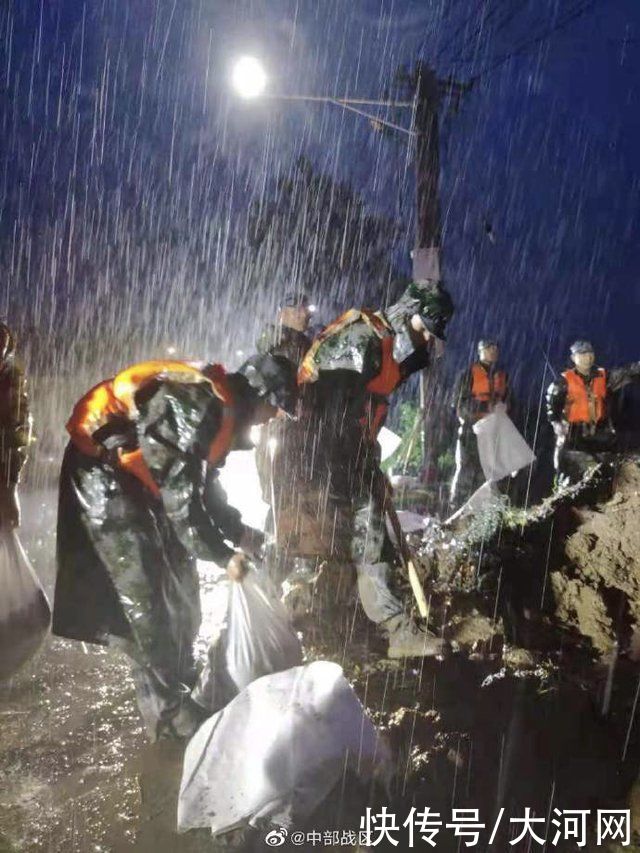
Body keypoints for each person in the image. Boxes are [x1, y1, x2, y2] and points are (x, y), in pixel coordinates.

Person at [52, 355, 296, 739]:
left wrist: (238, 532)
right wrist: (222, 556)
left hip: (143, 483)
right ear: (260, 394)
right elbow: (183, 502)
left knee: (182, 586)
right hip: (105, 476)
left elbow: (202, 486)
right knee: (146, 599)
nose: (274, 417)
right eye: (276, 406)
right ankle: (168, 718)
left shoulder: (224, 413)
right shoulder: (197, 405)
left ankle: (180, 679)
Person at [286, 280, 454, 658]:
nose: (426, 338)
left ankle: (385, 632)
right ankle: (298, 633)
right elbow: (335, 413)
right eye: (423, 328)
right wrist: (359, 466)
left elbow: (365, 410)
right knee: (314, 543)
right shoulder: (362, 340)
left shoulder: (386, 345)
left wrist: (369, 461)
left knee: (366, 537)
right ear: (407, 314)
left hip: (342, 453)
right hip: (314, 457)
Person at [546, 340, 640, 484]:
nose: (587, 357)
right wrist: (556, 424)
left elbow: (626, 373)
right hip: (574, 435)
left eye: (590, 353)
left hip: (599, 432)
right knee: (568, 472)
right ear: (573, 358)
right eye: (582, 354)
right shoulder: (563, 382)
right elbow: (552, 405)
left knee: (610, 467)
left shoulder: (603, 376)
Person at [449, 339, 510, 507]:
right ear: (480, 351)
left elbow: (508, 401)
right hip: (472, 428)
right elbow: (458, 403)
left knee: (491, 470)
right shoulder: (468, 374)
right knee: (466, 468)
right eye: (489, 348)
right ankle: (457, 506)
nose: (493, 351)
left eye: (495, 348)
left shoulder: (502, 376)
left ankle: (487, 509)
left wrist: (504, 408)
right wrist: (484, 407)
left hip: (494, 429)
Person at [0, 322, 32, 530]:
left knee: (7, 522)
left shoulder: (14, 379)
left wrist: (11, 486)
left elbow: (21, 430)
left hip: (5, 462)